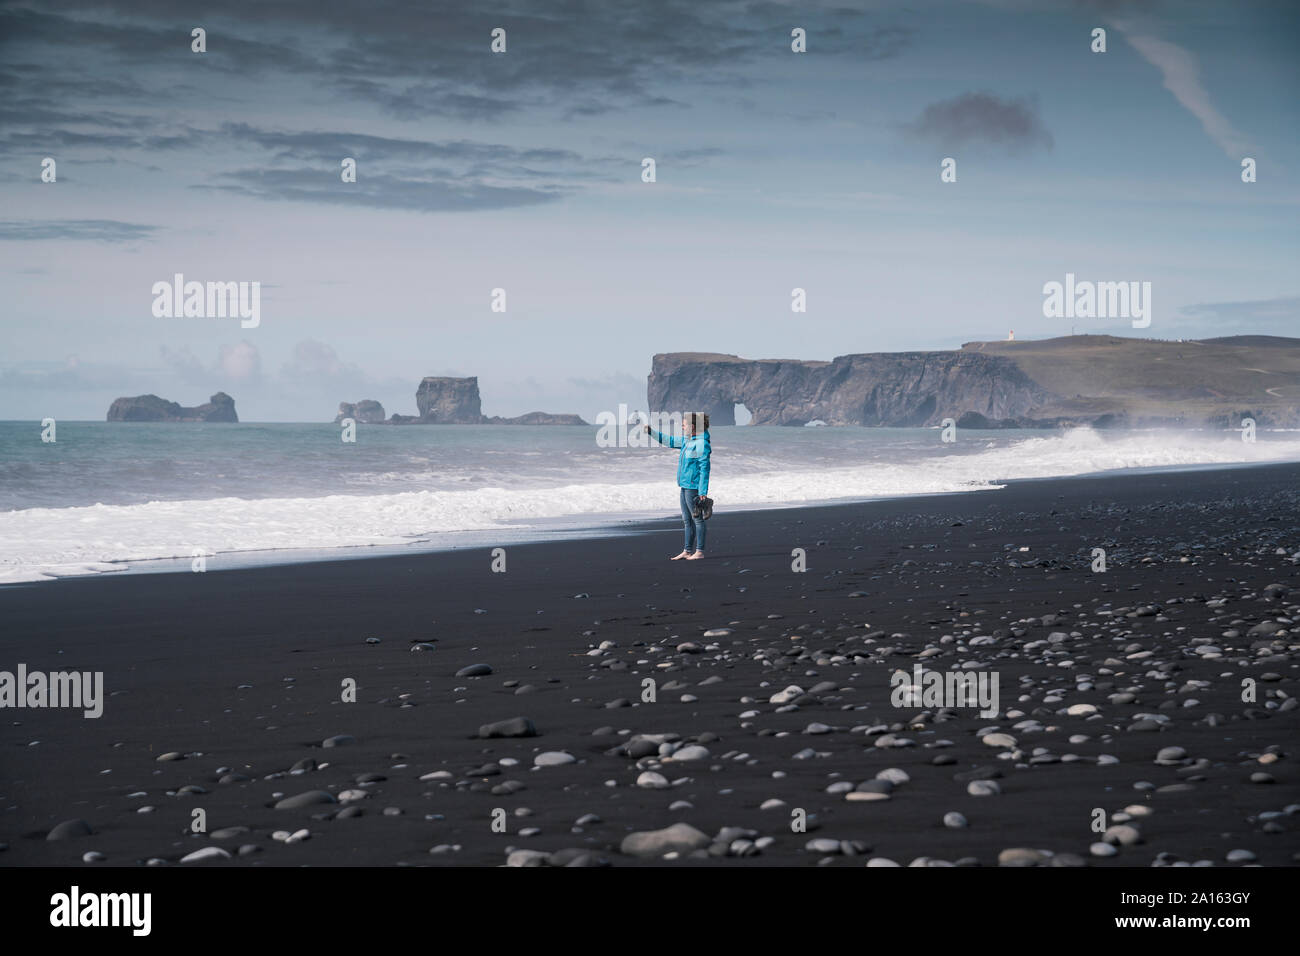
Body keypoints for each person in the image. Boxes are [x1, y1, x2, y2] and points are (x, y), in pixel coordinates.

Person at [644, 412, 712, 560]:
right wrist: (651, 432)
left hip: (693, 487)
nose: (682, 426)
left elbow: (704, 469)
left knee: (697, 520)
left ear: (692, 427)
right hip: (684, 486)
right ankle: (687, 551)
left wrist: (703, 491)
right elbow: (669, 441)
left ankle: (699, 551)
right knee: (687, 520)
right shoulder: (687, 441)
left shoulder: (701, 444)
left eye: (684, 424)